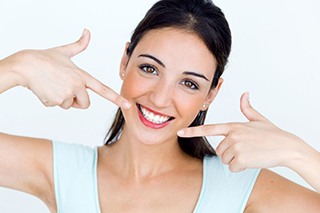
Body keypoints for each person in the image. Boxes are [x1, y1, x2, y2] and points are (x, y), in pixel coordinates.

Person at [1, 0, 320, 212]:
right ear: (125, 60)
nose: (160, 98)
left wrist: (298, 153)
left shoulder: (241, 188)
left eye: (189, 83)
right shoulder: (61, 171)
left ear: (212, 93)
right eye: (150, 68)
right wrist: (17, 68)